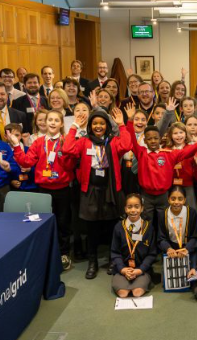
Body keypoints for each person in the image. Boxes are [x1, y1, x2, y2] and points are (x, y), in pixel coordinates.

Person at [62, 108, 130, 279]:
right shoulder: (84, 141)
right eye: (95, 123)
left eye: (102, 123)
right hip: (90, 190)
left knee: (111, 227)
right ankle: (93, 262)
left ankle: (114, 260)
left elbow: (127, 145)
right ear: (90, 126)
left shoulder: (112, 141)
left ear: (107, 126)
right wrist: (75, 126)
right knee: (92, 228)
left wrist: (122, 125)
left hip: (110, 189)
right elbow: (67, 148)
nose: (98, 126)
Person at [11, 110, 77, 271]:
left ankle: (64, 253)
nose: (53, 123)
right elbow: (26, 162)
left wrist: (63, 153)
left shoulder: (65, 142)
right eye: (50, 120)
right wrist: (16, 145)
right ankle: (46, 252)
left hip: (62, 189)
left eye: (56, 120)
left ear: (61, 124)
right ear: (45, 123)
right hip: (43, 190)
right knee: (44, 222)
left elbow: (70, 166)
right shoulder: (39, 142)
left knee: (63, 223)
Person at [128, 103, 197, 227]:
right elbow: (131, 138)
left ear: (160, 139)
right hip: (146, 195)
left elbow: (186, 152)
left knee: (164, 222)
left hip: (164, 195)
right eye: (149, 139)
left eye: (155, 138)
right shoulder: (141, 152)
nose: (153, 141)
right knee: (146, 222)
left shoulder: (168, 154)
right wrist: (130, 120)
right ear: (145, 141)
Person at [110, 194, 157, 298]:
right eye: (129, 207)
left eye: (136, 206)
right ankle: (122, 279)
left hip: (142, 270)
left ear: (142, 208)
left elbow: (152, 254)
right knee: (123, 293)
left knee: (137, 292)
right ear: (125, 209)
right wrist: (122, 269)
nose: (133, 210)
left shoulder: (148, 227)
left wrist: (140, 270)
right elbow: (115, 252)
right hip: (123, 269)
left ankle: (142, 280)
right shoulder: (118, 227)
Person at [157, 186, 197, 272]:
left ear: (184, 200)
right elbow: (161, 238)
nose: (176, 202)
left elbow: (195, 237)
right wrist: (168, 248)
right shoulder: (163, 214)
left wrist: (187, 249)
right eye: (173, 199)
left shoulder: (191, 212)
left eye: (180, 199)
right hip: (171, 250)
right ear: (168, 199)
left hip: (189, 248)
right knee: (171, 276)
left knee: (190, 275)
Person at [5, 123, 37, 192]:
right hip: (13, 188)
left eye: (17, 135)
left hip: (30, 186)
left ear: (21, 136)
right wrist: (10, 181)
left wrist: (30, 169)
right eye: (11, 135)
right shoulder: (3, 152)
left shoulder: (28, 150)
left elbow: (37, 167)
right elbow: (1, 170)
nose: (14, 138)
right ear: (5, 136)